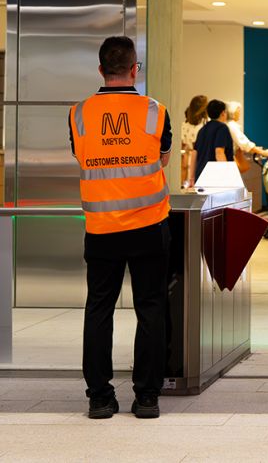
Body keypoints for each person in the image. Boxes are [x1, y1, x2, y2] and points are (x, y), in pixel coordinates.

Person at [68, 36, 172, 420]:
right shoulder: (155, 112)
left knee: (99, 309)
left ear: (100, 70)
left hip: (100, 228)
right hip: (147, 226)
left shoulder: (78, 114)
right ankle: (147, 397)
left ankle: (99, 397)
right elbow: (161, 161)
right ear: (134, 69)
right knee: (150, 308)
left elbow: (82, 156)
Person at [190, 99, 234, 182]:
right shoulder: (222, 128)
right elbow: (219, 152)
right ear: (223, 113)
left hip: (200, 176)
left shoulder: (202, 130)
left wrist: (192, 178)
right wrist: (228, 177)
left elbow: (194, 154)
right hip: (215, 178)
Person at [225, 100, 268, 168]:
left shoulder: (228, 125)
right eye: (238, 111)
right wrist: (264, 152)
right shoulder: (232, 126)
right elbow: (245, 144)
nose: (239, 113)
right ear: (233, 112)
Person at [180, 95, 207, 189]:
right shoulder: (205, 126)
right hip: (200, 161)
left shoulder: (184, 126)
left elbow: (181, 146)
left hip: (187, 161)